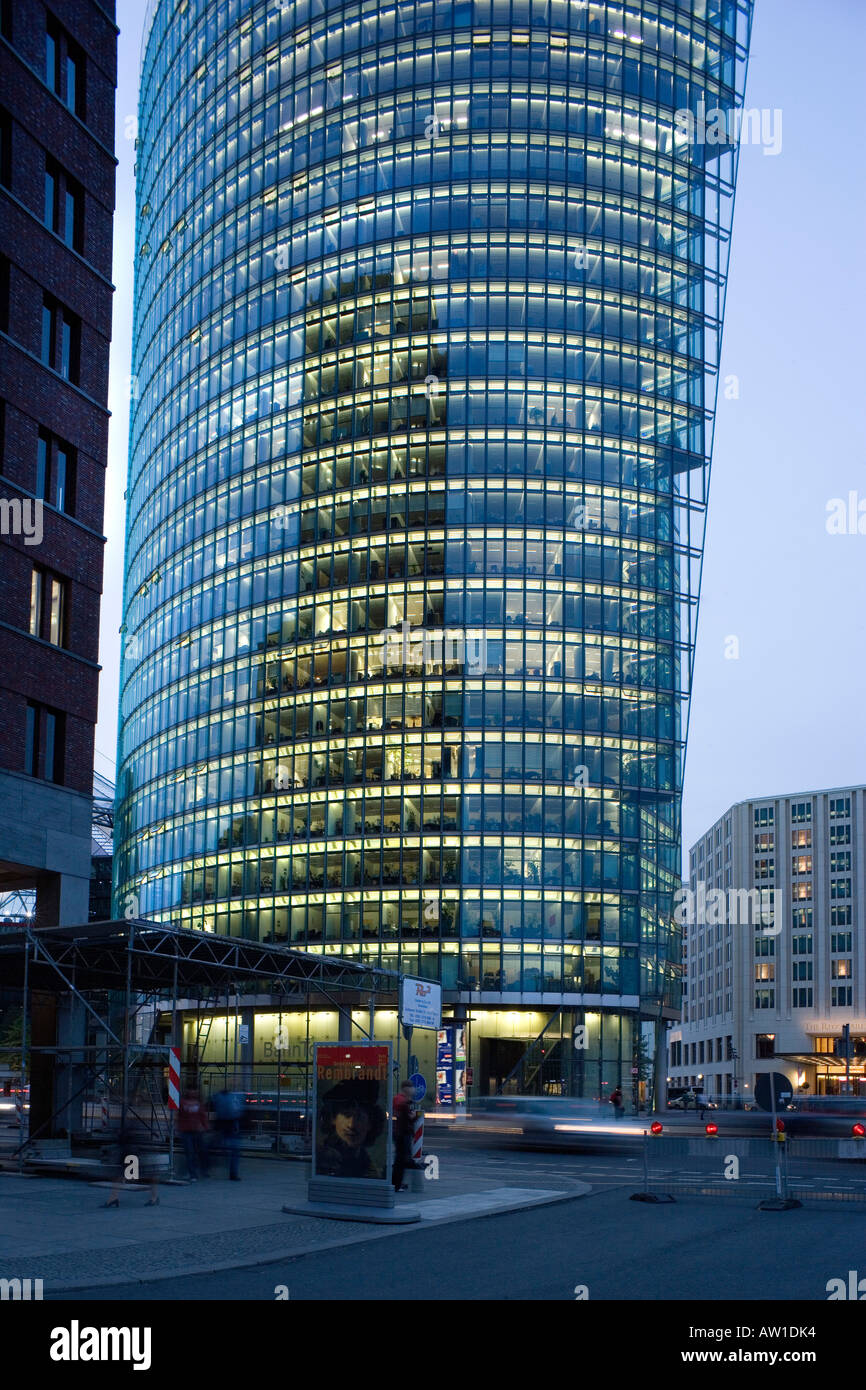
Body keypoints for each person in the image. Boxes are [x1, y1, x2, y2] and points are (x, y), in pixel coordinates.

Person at [316, 1080, 386, 1179]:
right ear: (332, 1119)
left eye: (360, 1117)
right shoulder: (325, 1159)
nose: (352, 1125)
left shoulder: (367, 1163)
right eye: (346, 1115)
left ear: (370, 1123)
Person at [103, 1121, 159, 1207]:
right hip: (130, 1147)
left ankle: (154, 1197)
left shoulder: (135, 1119)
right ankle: (113, 1198)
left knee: (145, 1174)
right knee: (122, 1173)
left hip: (133, 1147)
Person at [177, 1086, 209, 1181]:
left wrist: (205, 1126)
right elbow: (180, 1116)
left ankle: (196, 1172)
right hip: (188, 1130)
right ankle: (193, 1173)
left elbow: (202, 1116)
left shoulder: (197, 1103)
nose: (193, 1093)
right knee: (191, 1152)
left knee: (198, 1152)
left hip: (196, 1130)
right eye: (192, 1091)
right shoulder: (184, 1103)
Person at [391, 1080, 418, 1191]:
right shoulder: (403, 1101)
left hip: (399, 1133)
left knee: (400, 1159)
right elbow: (409, 1118)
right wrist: (415, 1115)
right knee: (401, 1160)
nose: (413, 1089)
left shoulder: (398, 1099)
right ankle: (396, 1184)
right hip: (403, 1133)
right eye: (411, 1087)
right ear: (406, 1088)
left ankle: (397, 1183)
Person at [212, 1087, 243, 1180]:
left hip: (224, 1126)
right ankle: (233, 1173)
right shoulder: (234, 1098)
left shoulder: (218, 1098)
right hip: (232, 1127)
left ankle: (207, 1166)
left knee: (218, 1147)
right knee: (234, 1151)